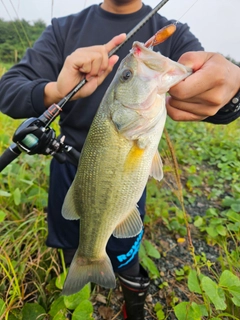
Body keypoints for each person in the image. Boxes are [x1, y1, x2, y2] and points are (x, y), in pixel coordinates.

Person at [0, 1, 239, 319]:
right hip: (68, 169)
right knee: (77, 243)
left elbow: (219, 101)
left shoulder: (173, 33)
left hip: (126, 179)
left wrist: (232, 90)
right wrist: (55, 89)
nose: (136, 63)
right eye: (128, 75)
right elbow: (8, 90)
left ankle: (133, 307)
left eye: (125, 76)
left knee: (127, 254)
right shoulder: (64, 29)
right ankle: (80, 290)